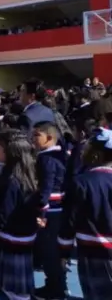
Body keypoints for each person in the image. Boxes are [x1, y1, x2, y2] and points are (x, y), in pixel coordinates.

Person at [58, 128, 112, 300]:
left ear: (96, 155)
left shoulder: (82, 183)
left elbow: (69, 221)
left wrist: (64, 251)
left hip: (94, 252)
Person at [0, 130, 40, 300]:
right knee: (20, 287)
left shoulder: (11, 181)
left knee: (14, 290)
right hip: (25, 235)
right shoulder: (30, 174)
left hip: (11, 238)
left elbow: (3, 212)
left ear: (10, 152)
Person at [32, 122, 68, 300]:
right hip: (59, 209)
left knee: (49, 251)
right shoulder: (61, 155)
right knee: (56, 251)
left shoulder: (46, 159)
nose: (33, 139)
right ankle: (58, 284)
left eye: (37, 135)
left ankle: (54, 288)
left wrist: (41, 212)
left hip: (51, 211)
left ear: (49, 137)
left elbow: (45, 187)